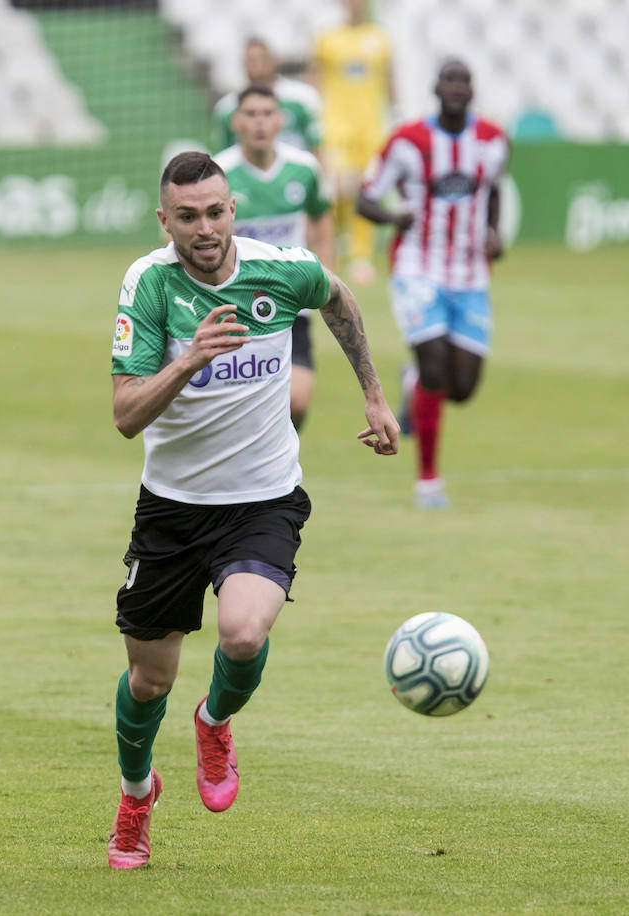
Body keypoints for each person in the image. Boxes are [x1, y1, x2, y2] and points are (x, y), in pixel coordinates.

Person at [105, 152, 399, 870]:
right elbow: (123, 416)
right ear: (163, 219)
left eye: (215, 212)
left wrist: (372, 392)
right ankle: (137, 796)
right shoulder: (149, 285)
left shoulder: (279, 267)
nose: (203, 229)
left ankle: (215, 722)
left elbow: (336, 297)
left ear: (232, 208)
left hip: (262, 499)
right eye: (187, 217)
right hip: (172, 510)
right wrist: (186, 360)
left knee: (241, 633)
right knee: (149, 681)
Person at [356, 58, 509, 509]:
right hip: (417, 268)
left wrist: (494, 234)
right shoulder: (406, 141)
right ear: (435, 88)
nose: (457, 88)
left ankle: (413, 381)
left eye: (465, 81)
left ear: (473, 90)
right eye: (449, 80)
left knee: (461, 388)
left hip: (470, 275)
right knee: (438, 368)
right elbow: (366, 199)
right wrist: (393, 216)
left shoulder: (493, 141)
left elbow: (494, 190)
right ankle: (428, 481)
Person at [215, 85, 335, 429]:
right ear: (236, 122)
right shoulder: (219, 173)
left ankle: (279, 461)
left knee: (297, 400)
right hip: (234, 303)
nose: (260, 123)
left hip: (289, 300)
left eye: (267, 114)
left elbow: (322, 220)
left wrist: (323, 277)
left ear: (281, 120)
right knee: (241, 403)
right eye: (251, 114)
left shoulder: (304, 169)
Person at [312, 0, 394, 286]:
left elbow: (389, 82)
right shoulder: (327, 39)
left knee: (365, 192)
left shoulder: (380, 39)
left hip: (371, 129)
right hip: (336, 128)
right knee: (335, 192)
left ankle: (361, 257)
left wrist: (395, 115)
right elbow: (316, 80)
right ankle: (328, 251)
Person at [212, 37, 322, 156]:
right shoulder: (227, 106)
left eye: (261, 59)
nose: (256, 65)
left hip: (294, 174)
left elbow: (316, 143)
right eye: (250, 60)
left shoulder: (302, 97)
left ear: (273, 61)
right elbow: (223, 149)